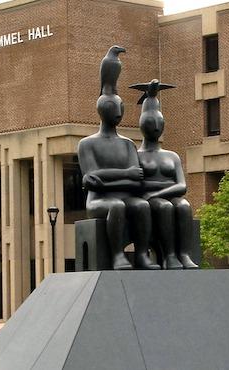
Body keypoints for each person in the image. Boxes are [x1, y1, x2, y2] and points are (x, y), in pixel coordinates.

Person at [77, 45, 157, 270]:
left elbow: (136, 180)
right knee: (118, 206)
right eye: (114, 107)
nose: (119, 113)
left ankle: (142, 254)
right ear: (103, 109)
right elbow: (92, 179)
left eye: (120, 107)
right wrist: (125, 175)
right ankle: (117, 255)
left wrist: (109, 179)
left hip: (122, 196)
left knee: (141, 206)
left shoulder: (127, 144)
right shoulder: (87, 144)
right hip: (99, 202)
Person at [132, 79, 199, 270]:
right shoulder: (136, 156)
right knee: (164, 208)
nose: (155, 127)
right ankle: (170, 256)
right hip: (152, 201)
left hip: (161, 196)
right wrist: (155, 194)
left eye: (158, 122)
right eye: (150, 122)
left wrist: (156, 192)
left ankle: (184, 254)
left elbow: (182, 186)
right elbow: (136, 184)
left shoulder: (172, 156)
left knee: (184, 206)